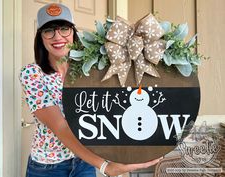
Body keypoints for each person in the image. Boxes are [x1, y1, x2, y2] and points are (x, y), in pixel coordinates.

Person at [20, 3, 162, 177]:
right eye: (48, 30)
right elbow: (61, 127)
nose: (57, 36)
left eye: (64, 28)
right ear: (41, 37)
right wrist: (105, 166)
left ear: (73, 32)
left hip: (84, 162)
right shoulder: (32, 74)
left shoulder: (88, 70)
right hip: (47, 168)